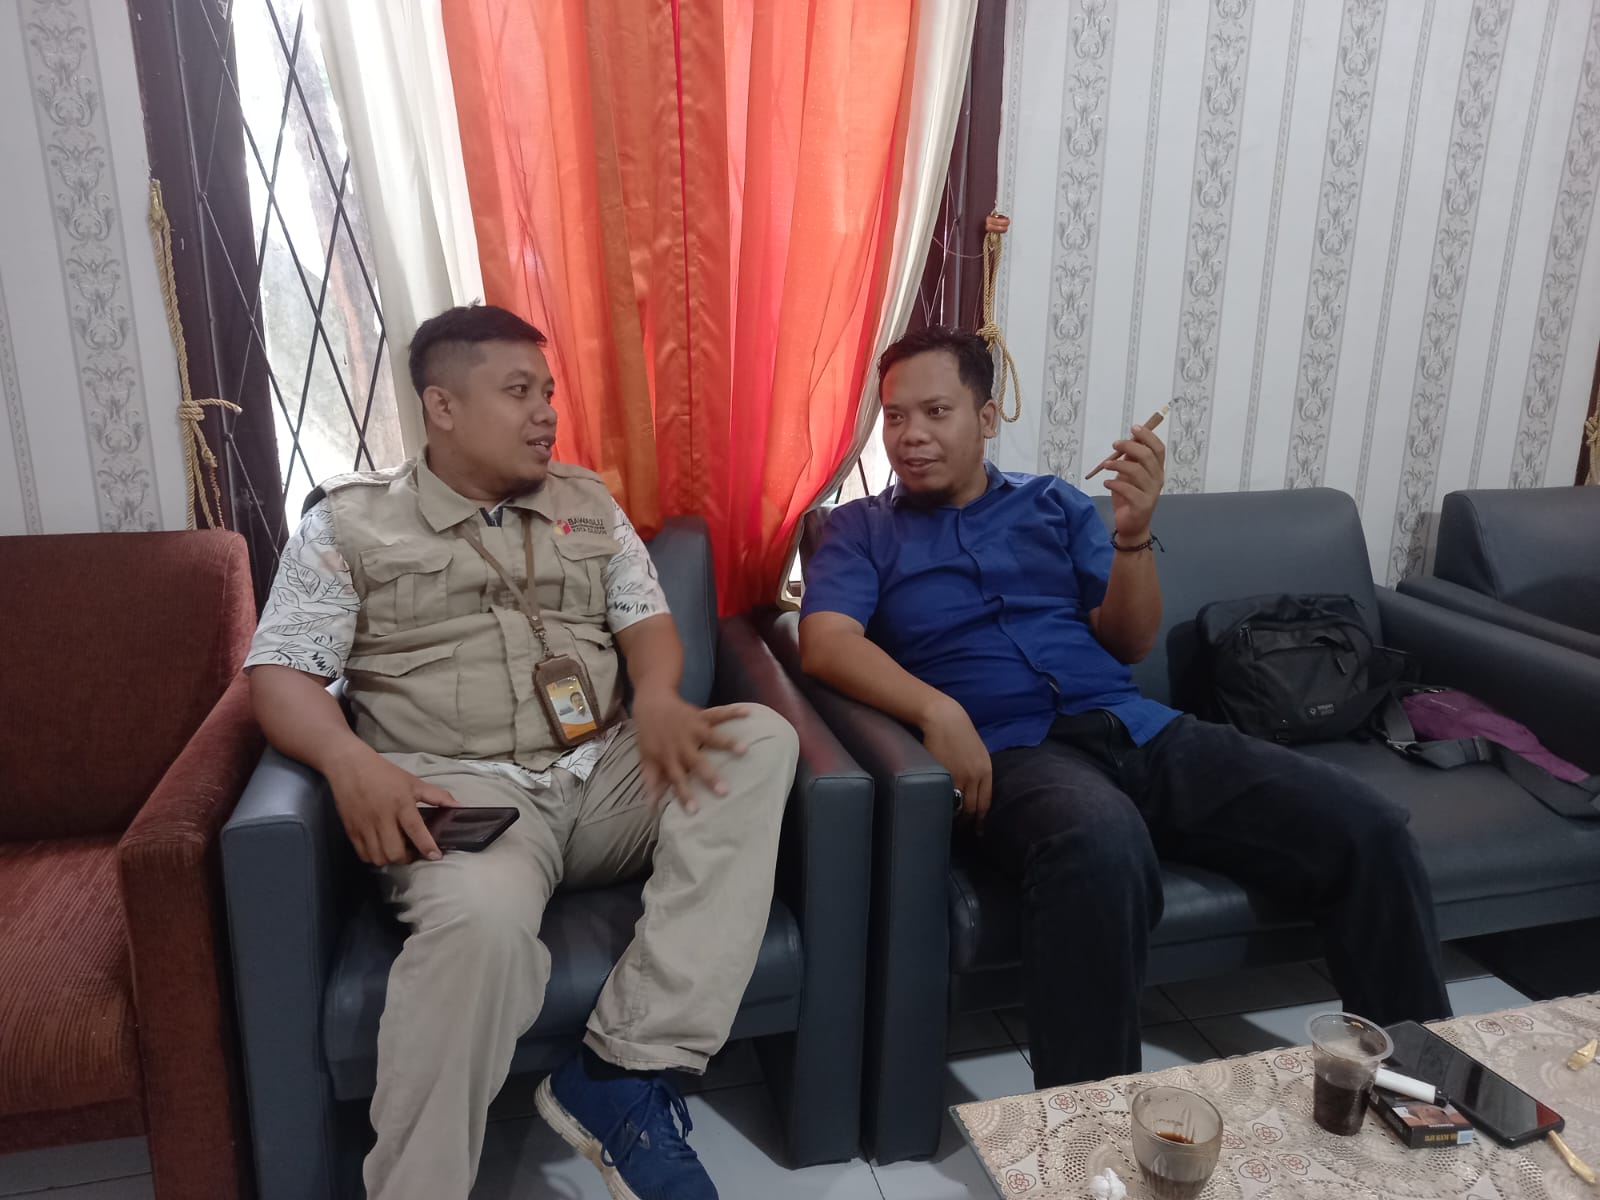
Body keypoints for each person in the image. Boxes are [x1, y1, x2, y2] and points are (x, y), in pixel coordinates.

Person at [797, 326, 1450, 1088]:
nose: (911, 435)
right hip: (1014, 753)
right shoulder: (862, 529)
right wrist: (937, 711)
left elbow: (1128, 640)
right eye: (895, 416)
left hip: (1140, 729)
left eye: (935, 412)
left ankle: (1423, 1090)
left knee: (1369, 827)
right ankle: (1093, 1128)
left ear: (986, 416)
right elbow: (825, 642)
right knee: (1101, 846)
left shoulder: (1053, 505)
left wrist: (1133, 536)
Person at [247, 304, 797, 1200]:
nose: (545, 413)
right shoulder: (348, 524)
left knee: (760, 739)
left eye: (547, 392)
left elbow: (646, 622)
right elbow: (280, 675)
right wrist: (350, 764)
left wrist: (660, 697)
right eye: (518, 392)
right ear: (442, 406)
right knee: (481, 928)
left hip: (607, 776)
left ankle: (623, 1069)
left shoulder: (587, 504)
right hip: (465, 796)